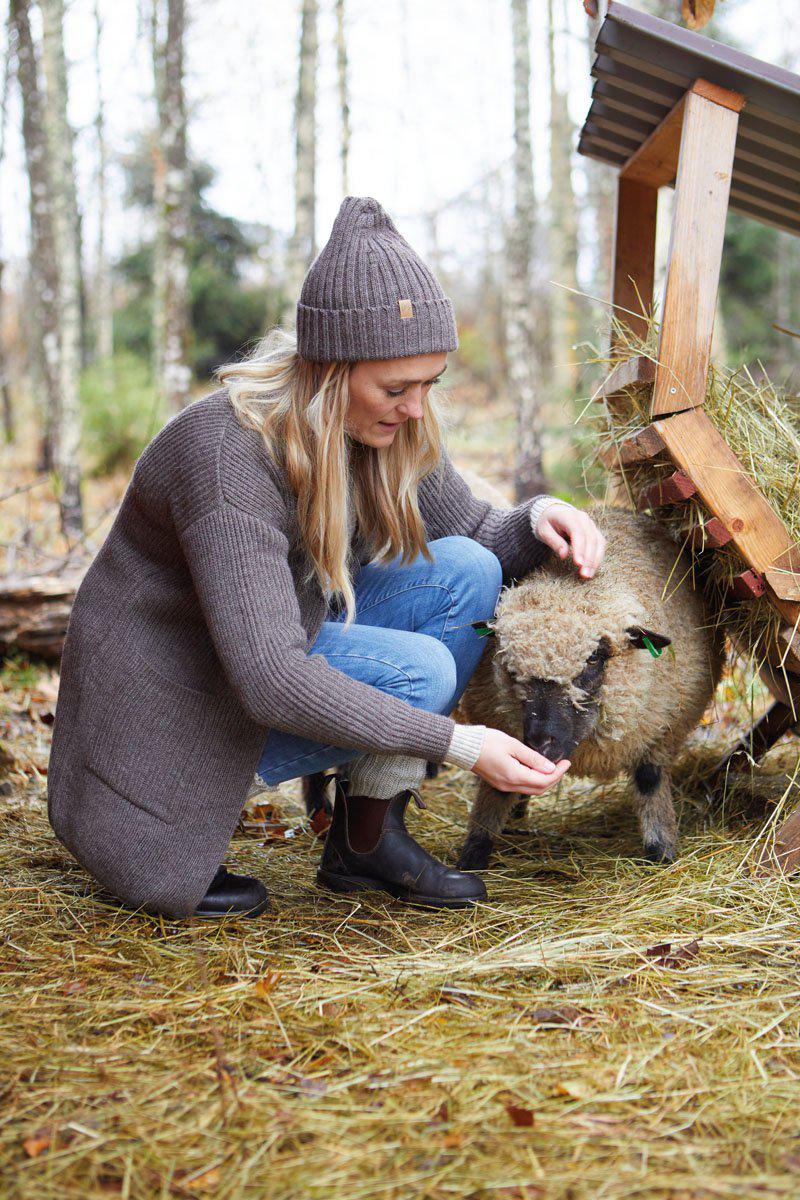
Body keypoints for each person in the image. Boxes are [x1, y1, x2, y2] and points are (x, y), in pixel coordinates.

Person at [47, 196, 606, 921]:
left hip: (251, 657)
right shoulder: (227, 454)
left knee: (466, 569)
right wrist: (458, 742)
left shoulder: (377, 423)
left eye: (429, 384)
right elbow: (271, 678)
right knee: (424, 671)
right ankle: (180, 818)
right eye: (396, 388)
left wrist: (541, 517)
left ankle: (367, 839)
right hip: (165, 711)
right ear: (328, 369)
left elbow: (472, 530)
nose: (414, 408)